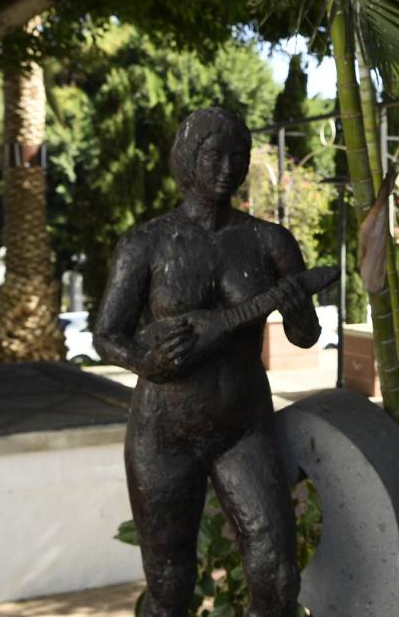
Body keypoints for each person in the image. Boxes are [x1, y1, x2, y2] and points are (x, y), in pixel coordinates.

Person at [94, 107, 320, 617]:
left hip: (242, 428)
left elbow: (305, 338)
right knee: (170, 586)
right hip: (162, 434)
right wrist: (144, 360)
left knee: (277, 577)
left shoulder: (269, 242)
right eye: (214, 155)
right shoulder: (145, 243)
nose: (226, 168)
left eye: (238, 157)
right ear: (188, 158)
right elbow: (107, 335)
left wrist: (296, 305)